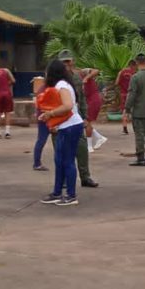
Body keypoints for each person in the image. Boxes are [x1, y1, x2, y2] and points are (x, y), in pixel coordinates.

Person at [38, 60, 84, 206]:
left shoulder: (61, 86)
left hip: (71, 126)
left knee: (67, 160)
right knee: (59, 160)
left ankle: (71, 195)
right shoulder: (61, 85)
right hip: (65, 126)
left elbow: (68, 105)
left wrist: (50, 114)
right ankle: (57, 192)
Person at [57, 49, 99, 188]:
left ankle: (85, 177)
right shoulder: (54, 79)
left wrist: (85, 118)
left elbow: (82, 100)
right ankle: (63, 180)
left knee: (81, 149)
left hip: (76, 119)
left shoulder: (76, 78)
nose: (67, 64)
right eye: (64, 62)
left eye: (68, 61)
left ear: (72, 61)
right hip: (60, 120)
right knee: (62, 152)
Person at [78, 66, 108, 152]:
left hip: (93, 99)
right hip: (88, 100)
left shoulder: (82, 72)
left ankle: (89, 146)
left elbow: (96, 70)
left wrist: (86, 78)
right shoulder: (72, 78)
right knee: (84, 122)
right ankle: (99, 137)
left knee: (87, 122)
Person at [116, 60, 137, 135]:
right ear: (133, 65)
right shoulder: (135, 73)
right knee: (135, 110)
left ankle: (125, 129)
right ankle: (136, 129)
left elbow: (116, 83)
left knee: (124, 111)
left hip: (123, 94)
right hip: (132, 94)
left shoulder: (122, 72)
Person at [32, 82, 50, 171]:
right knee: (42, 140)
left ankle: (37, 163)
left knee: (41, 140)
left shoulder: (42, 88)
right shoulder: (49, 89)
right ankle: (37, 163)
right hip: (47, 117)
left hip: (42, 116)